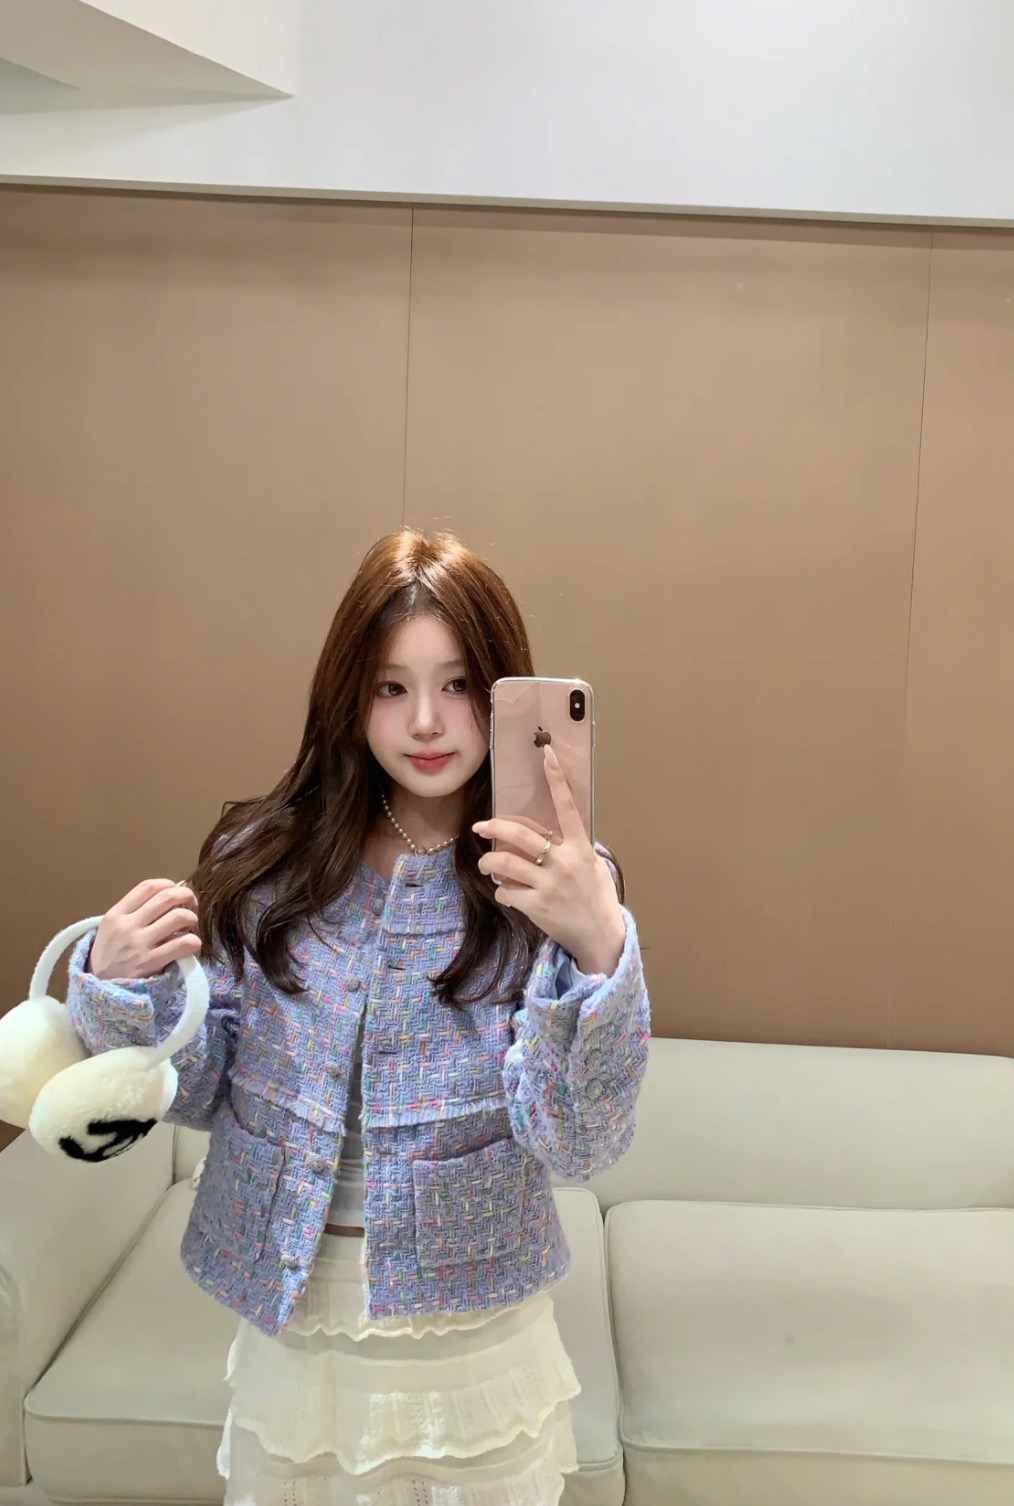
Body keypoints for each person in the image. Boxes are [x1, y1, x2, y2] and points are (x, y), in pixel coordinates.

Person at [66, 529, 651, 1506]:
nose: (425, 721)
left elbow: (579, 1142)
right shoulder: (272, 859)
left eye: (458, 684)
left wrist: (598, 946)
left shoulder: (554, 883)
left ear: (503, 692)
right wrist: (125, 986)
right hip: (296, 1324)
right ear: (348, 695)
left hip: (472, 1333)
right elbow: (200, 1089)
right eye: (390, 686)